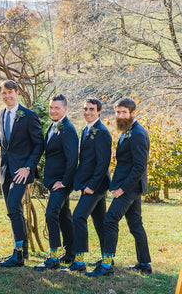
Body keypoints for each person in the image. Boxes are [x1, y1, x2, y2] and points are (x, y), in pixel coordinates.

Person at [87, 97, 151, 277]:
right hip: (130, 186)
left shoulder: (138, 133)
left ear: (133, 113)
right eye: (118, 112)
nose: (120, 115)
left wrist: (122, 189)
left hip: (130, 187)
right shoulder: (127, 130)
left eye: (124, 112)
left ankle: (107, 266)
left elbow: (139, 166)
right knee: (135, 224)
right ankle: (144, 263)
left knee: (110, 220)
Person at [0, 80, 45, 267]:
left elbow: (39, 143)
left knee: (13, 205)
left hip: (22, 171)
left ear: (17, 92)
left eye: (10, 92)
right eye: (3, 93)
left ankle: (18, 255)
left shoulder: (29, 116)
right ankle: (22, 249)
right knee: (14, 210)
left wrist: (28, 166)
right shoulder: (0, 114)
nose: (7, 96)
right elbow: (4, 141)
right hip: (6, 169)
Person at [62, 97, 112, 273]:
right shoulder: (85, 129)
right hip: (89, 184)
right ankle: (108, 260)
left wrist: (91, 185)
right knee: (100, 223)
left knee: (78, 217)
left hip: (96, 186)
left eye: (91, 109)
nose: (88, 112)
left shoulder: (102, 132)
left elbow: (103, 163)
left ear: (99, 111)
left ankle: (79, 261)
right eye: (85, 109)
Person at [35, 93, 78, 271]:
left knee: (51, 213)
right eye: (51, 107)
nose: (53, 110)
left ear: (65, 109)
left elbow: (72, 158)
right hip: (54, 180)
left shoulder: (67, 129)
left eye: (57, 108)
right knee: (63, 215)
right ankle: (71, 252)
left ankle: (53, 257)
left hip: (61, 182)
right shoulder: (52, 126)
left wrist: (65, 182)